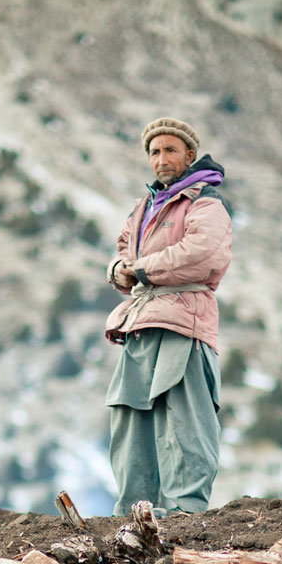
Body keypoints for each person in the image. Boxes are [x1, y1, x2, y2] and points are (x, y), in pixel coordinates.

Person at [103, 117, 233, 517]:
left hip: (184, 320)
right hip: (140, 321)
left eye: (170, 150)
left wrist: (140, 268)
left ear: (189, 156)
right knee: (131, 418)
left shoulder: (205, 202)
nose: (162, 158)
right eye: (155, 152)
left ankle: (184, 515)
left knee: (183, 418)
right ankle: (134, 516)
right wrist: (117, 269)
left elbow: (203, 252)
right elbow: (123, 249)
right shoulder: (144, 207)